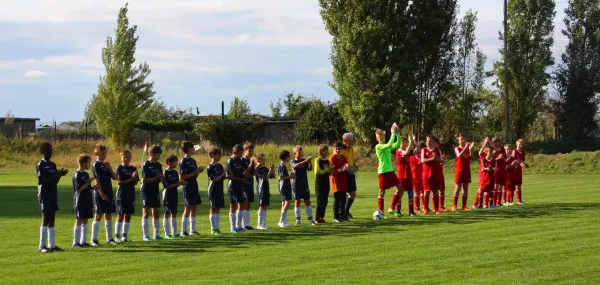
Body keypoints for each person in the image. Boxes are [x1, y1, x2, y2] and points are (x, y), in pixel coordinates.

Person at [37, 142, 69, 252]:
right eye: (48, 151)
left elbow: (55, 181)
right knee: (45, 218)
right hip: (45, 194)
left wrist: (59, 175)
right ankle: (42, 246)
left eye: (51, 151)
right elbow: (40, 181)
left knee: (52, 218)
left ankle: (52, 245)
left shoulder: (53, 165)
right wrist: (54, 175)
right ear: (43, 151)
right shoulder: (40, 165)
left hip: (52, 193)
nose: (51, 153)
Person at [91, 144, 118, 246]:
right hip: (100, 193)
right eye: (102, 153)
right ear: (96, 153)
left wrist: (110, 168)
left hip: (109, 193)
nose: (104, 155)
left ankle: (109, 238)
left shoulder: (106, 165)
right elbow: (96, 180)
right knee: (98, 215)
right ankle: (93, 239)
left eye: (105, 153)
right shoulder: (96, 165)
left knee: (109, 214)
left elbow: (115, 177)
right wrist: (101, 193)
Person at [375, 125, 404, 217]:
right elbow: (389, 144)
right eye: (379, 137)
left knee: (400, 189)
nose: (381, 138)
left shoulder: (387, 146)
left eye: (382, 136)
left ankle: (391, 208)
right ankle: (381, 212)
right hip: (382, 172)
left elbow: (398, 144)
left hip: (390, 171)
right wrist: (393, 134)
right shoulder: (378, 146)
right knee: (382, 191)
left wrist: (398, 134)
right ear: (377, 138)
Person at [179, 141, 204, 236]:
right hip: (187, 187)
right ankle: (183, 231)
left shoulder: (193, 160)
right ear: (189, 149)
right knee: (188, 207)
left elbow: (194, 175)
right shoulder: (183, 161)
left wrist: (198, 172)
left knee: (194, 207)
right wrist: (195, 172)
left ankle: (192, 231)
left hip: (194, 185)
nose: (194, 150)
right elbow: (182, 177)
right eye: (192, 148)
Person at [141, 145, 164, 241]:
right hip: (146, 190)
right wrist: (156, 177)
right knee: (146, 212)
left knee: (157, 212)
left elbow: (159, 180)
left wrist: (161, 178)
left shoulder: (159, 165)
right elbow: (144, 180)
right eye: (158, 154)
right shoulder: (145, 165)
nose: (159, 156)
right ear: (152, 154)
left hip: (155, 190)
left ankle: (156, 234)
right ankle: (146, 235)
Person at [72, 154, 96, 248]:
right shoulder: (77, 174)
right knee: (79, 220)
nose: (89, 164)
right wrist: (88, 182)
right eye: (88, 162)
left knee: (85, 219)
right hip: (80, 200)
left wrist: (93, 187)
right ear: (83, 163)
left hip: (87, 199)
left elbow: (86, 188)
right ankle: (75, 242)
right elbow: (78, 189)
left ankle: (83, 241)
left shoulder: (85, 174)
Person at [115, 150, 138, 242]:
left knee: (128, 215)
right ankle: (117, 236)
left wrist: (135, 177)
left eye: (127, 157)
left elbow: (135, 183)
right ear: (121, 158)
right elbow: (119, 182)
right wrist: (131, 178)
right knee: (120, 215)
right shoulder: (119, 168)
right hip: (122, 194)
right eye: (124, 157)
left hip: (130, 194)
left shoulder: (133, 168)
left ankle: (124, 236)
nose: (126, 159)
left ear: (130, 158)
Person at [163, 155, 185, 239]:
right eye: (175, 162)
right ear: (169, 162)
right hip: (167, 195)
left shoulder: (175, 172)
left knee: (174, 213)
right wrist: (177, 183)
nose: (177, 163)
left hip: (174, 195)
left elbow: (176, 183)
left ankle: (175, 233)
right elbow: (166, 186)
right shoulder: (165, 172)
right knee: (167, 213)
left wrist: (180, 183)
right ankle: (167, 234)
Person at [226, 144, 248, 232]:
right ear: (235, 152)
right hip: (232, 186)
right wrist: (241, 179)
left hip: (240, 185)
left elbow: (244, 172)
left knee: (241, 203)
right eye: (240, 152)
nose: (242, 154)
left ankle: (239, 226)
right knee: (233, 205)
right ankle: (232, 227)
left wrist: (245, 174)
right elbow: (229, 176)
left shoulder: (241, 161)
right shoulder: (230, 161)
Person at [291, 145, 314, 225]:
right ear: (294, 153)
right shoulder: (293, 161)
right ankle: (298, 220)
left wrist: (309, 161)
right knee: (297, 201)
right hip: (296, 184)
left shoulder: (305, 160)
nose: (301, 154)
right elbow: (295, 166)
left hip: (304, 184)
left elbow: (310, 169)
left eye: (301, 152)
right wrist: (305, 161)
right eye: (299, 153)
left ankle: (310, 219)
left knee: (307, 201)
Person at [421, 136, 444, 215]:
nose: (428, 142)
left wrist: (437, 157)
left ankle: (436, 209)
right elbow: (423, 160)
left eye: (430, 141)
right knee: (426, 191)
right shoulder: (423, 150)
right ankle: (426, 209)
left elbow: (441, 160)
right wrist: (432, 159)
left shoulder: (438, 150)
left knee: (435, 191)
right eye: (427, 141)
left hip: (435, 173)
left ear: (434, 142)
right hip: (426, 174)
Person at [207, 147, 226, 235]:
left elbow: (222, 177)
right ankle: (212, 229)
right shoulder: (210, 167)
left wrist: (227, 174)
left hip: (219, 189)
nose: (220, 157)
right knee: (213, 208)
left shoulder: (219, 166)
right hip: (213, 190)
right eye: (218, 155)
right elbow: (214, 179)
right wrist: (223, 173)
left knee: (218, 209)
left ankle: (217, 228)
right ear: (213, 155)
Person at [395, 135, 416, 216]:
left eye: (405, 142)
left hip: (409, 175)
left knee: (411, 193)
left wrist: (414, 141)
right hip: (401, 175)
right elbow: (406, 152)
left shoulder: (407, 149)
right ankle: (398, 211)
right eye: (402, 142)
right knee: (400, 193)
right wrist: (411, 142)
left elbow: (416, 151)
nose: (403, 144)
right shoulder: (398, 151)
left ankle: (411, 211)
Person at [453, 134, 474, 211]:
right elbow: (459, 155)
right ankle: (454, 205)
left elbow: (471, 157)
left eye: (464, 139)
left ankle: (464, 205)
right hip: (459, 170)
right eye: (461, 139)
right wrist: (466, 147)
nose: (462, 141)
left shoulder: (468, 148)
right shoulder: (457, 148)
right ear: (458, 141)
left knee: (465, 188)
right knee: (457, 187)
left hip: (466, 170)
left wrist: (471, 149)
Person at [255, 153, 275, 230]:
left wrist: (272, 170)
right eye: (263, 159)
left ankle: (264, 223)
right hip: (261, 189)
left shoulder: (264, 168)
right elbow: (265, 178)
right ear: (259, 160)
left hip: (266, 188)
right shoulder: (257, 168)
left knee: (265, 206)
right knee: (261, 206)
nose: (264, 160)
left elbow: (273, 176)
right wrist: (270, 171)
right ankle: (259, 224)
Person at [330, 142, 348, 222]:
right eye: (336, 148)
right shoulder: (332, 158)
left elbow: (346, 166)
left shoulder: (343, 157)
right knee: (337, 199)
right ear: (334, 149)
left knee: (343, 199)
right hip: (336, 181)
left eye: (339, 149)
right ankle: (335, 217)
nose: (338, 150)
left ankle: (342, 216)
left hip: (343, 180)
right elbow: (332, 171)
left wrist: (348, 167)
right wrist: (341, 169)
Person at [341, 133, 358, 218]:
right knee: (343, 194)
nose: (352, 142)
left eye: (352, 140)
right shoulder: (340, 149)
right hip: (343, 174)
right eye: (350, 141)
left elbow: (352, 160)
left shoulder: (351, 149)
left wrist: (354, 166)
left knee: (353, 193)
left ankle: (346, 211)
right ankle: (342, 213)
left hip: (350, 173)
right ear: (345, 141)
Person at [314, 144, 332, 224]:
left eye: (327, 150)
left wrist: (331, 170)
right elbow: (318, 171)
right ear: (321, 151)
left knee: (325, 201)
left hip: (326, 183)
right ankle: (317, 219)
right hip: (319, 183)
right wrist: (328, 170)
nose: (327, 152)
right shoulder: (317, 160)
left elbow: (330, 173)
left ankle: (321, 218)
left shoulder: (327, 161)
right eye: (325, 150)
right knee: (320, 201)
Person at [241, 142, 256, 230]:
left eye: (252, 151)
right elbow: (245, 173)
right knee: (245, 203)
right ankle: (244, 224)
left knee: (249, 203)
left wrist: (258, 166)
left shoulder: (251, 160)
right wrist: (250, 164)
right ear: (244, 150)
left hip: (250, 183)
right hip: (244, 183)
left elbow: (252, 173)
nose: (251, 152)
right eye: (249, 150)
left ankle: (247, 224)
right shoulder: (242, 160)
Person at [277, 150, 294, 227]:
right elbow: (281, 177)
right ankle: (281, 221)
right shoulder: (281, 165)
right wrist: (290, 177)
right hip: (283, 185)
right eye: (288, 156)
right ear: (285, 157)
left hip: (286, 184)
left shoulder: (284, 165)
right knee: (288, 202)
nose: (289, 157)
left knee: (284, 202)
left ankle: (284, 220)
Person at [491, 137, 507, 208]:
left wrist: (503, 157)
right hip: (496, 169)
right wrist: (497, 158)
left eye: (497, 142)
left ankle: (498, 202)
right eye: (495, 142)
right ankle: (494, 202)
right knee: (496, 186)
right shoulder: (492, 151)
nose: (496, 143)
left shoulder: (502, 149)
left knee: (501, 186)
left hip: (502, 169)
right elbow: (491, 160)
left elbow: (505, 158)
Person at [511, 139, 528, 205]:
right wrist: (518, 163)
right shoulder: (514, 151)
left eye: (522, 144)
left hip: (518, 170)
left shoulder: (523, 152)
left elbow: (522, 161)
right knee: (511, 186)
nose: (521, 146)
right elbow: (511, 160)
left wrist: (525, 164)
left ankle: (519, 201)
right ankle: (509, 201)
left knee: (519, 185)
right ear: (516, 144)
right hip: (513, 170)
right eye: (519, 144)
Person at [410, 141, 426, 213]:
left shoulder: (420, 155)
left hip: (422, 176)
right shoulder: (413, 156)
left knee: (423, 191)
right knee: (417, 193)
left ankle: (425, 207)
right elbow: (421, 162)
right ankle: (417, 208)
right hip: (415, 176)